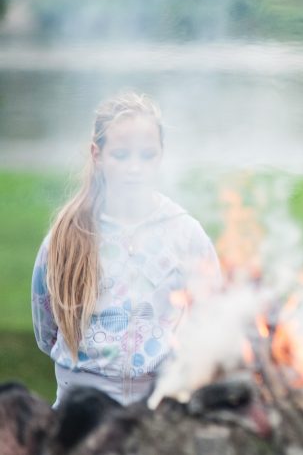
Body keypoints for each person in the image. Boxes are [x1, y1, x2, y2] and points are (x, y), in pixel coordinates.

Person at [31, 92, 221, 406]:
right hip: (80, 409)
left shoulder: (185, 234)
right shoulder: (65, 235)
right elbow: (46, 329)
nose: (135, 167)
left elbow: (212, 317)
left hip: (160, 406)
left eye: (147, 155)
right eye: (121, 155)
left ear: (161, 154)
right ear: (97, 155)